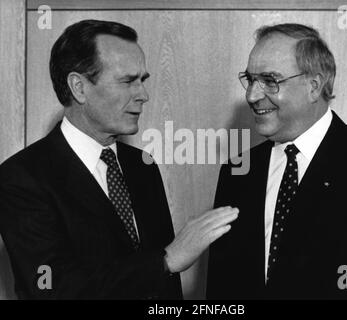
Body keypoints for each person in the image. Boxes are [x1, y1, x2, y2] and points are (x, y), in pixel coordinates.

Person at [0, 19, 238, 300]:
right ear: (79, 87)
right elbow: (51, 287)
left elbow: (166, 288)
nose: (143, 95)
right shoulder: (22, 177)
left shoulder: (142, 165)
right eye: (127, 81)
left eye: (142, 80)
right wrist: (165, 260)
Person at [207, 23, 347, 299]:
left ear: (314, 86)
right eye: (250, 79)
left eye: (270, 80)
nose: (252, 95)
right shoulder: (237, 172)